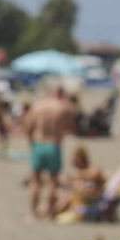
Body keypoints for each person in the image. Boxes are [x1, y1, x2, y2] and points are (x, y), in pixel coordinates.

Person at [26, 86, 78, 220]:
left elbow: (28, 126)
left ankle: (33, 213)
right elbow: (71, 128)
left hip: (38, 144)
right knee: (52, 182)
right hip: (54, 144)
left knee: (35, 180)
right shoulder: (63, 107)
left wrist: (31, 141)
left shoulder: (37, 105)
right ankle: (49, 213)